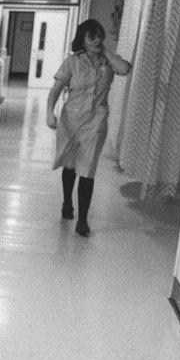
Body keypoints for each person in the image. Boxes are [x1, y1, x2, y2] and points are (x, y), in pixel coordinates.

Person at [46, 18, 131, 237]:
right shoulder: (72, 62)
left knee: (88, 169)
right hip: (71, 119)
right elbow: (56, 90)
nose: (97, 40)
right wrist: (50, 113)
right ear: (82, 40)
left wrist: (107, 51)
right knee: (71, 164)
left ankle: (83, 220)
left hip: (96, 120)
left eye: (100, 35)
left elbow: (125, 69)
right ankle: (67, 203)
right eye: (92, 36)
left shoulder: (108, 61)